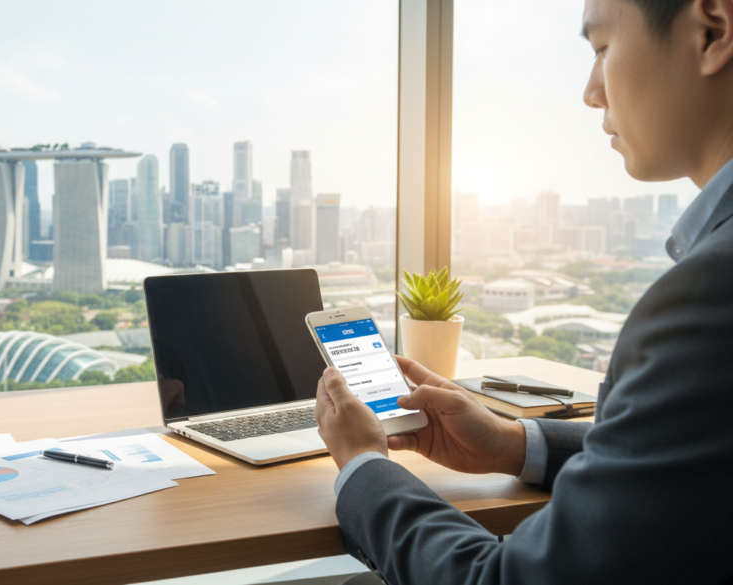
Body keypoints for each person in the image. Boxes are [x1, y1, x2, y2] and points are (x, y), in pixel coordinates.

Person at [313, 0, 733, 583]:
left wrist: (361, 465)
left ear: (713, 30)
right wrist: (510, 445)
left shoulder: (709, 296)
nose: (592, 92)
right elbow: (691, 457)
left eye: (603, 48)